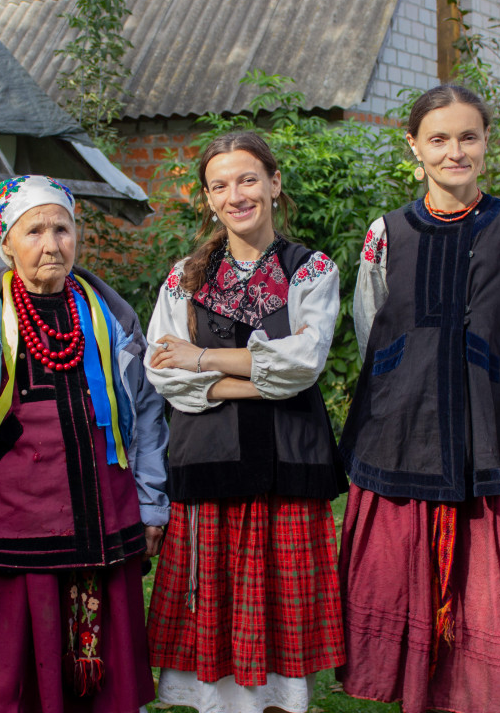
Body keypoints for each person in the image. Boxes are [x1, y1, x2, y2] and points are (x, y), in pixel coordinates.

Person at [337, 85, 500, 713]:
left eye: (468, 136)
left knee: (485, 588)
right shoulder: (386, 233)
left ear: (486, 143)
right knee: (403, 584)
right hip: (403, 436)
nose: (454, 151)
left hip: (488, 438)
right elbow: (372, 333)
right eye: (438, 138)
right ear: (414, 146)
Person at [0, 174, 169, 712]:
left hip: (105, 522)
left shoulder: (109, 313)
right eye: (33, 229)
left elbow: (148, 413)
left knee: (102, 684)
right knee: (14, 684)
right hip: (12, 531)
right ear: (5, 240)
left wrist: (152, 502)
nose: (51, 242)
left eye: (62, 227)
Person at [145, 131, 347, 712]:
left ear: (274, 184)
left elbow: (302, 366)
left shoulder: (310, 269)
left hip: (287, 465)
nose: (236, 194)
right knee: (216, 608)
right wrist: (260, 380)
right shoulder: (186, 276)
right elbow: (164, 373)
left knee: (279, 623)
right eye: (221, 184)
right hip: (210, 464)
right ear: (208, 198)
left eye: (248, 178)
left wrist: (203, 360)